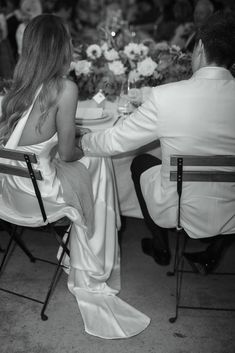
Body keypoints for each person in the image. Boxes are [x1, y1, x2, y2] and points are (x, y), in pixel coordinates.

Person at [0, 14, 150, 338]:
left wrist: (58, 140)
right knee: (98, 164)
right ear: (60, 48)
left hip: (9, 195)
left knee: (89, 166)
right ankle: (90, 260)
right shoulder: (64, 87)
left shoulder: (18, 89)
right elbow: (68, 155)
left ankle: (82, 249)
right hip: (40, 199)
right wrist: (79, 143)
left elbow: (29, 140)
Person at [78, 11, 235, 274]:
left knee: (141, 161)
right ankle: (214, 250)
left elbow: (116, 141)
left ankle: (160, 243)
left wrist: (82, 141)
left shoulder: (166, 97)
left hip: (180, 211)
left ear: (199, 48)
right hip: (232, 210)